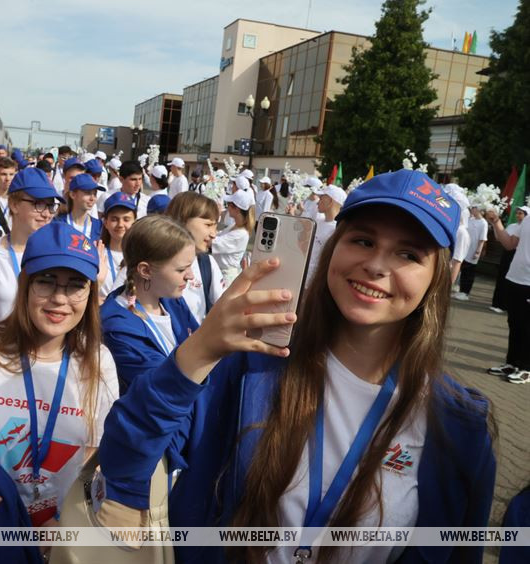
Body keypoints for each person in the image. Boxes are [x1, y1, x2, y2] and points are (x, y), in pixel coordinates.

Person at [98, 168, 495, 564]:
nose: (377, 265)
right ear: (332, 249)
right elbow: (125, 457)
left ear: (435, 279)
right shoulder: (254, 367)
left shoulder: (459, 424)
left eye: (408, 254)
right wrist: (199, 351)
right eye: (363, 240)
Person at [0, 222, 119, 531]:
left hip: (62, 530)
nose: (60, 298)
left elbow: (98, 446)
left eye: (75, 284)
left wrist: (64, 516)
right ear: (25, 284)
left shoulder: (99, 363)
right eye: (46, 281)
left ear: (90, 292)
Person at [100, 215, 198, 390]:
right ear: (145, 270)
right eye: (182, 269)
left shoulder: (172, 301)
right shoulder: (117, 327)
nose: (190, 276)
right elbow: (167, 387)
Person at [0, 167, 63, 335]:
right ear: (14, 204)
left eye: (51, 205)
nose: (46, 214)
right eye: (38, 204)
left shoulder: (59, 255)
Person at [484, 204, 530, 384]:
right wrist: (496, 222)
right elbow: (510, 244)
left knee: (527, 327)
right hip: (515, 278)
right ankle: (512, 363)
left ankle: (526, 368)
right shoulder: (526, 220)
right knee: (515, 323)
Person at [165, 192, 226, 324]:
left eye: (216, 226)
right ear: (182, 219)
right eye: (208, 225)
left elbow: (224, 307)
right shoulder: (151, 261)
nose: (214, 234)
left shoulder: (207, 263)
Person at [100, 192, 137, 302]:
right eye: (114, 219)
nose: (120, 224)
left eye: (126, 219)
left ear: (134, 221)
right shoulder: (97, 254)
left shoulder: (142, 256)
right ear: (105, 222)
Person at [211, 189, 256, 283]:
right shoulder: (234, 226)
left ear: (237, 209)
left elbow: (212, 243)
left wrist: (215, 217)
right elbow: (217, 234)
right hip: (220, 271)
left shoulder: (241, 234)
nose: (227, 208)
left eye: (229, 205)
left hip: (225, 277)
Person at [308, 184, 347, 281]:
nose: (318, 202)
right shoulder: (318, 221)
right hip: (305, 276)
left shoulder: (337, 229)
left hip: (315, 280)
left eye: (321, 198)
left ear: (330, 202)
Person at [491, 206, 527, 313]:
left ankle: (504, 305)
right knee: (502, 277)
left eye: (521, 213)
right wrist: (495, 224)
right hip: (507, 254)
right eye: (517, 213)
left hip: (517, 256)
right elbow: (502, 239)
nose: (518, 215)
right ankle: (497, 302)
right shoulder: (512, 226)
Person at [454, 205, 489, 301]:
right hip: (465, 248)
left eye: (474, 208)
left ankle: (465, 292)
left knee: (469, 272)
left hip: (473, 250)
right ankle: (460, 290)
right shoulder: (471, 220)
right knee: (462, 269)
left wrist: (478, 251)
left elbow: (482, 239)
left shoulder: (483, 223)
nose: (472, 209)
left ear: (480, 210)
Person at [56, 174, 104, 239]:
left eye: (95, 194)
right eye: (87, 193)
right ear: (72, 194)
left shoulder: (99, 226)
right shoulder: (57, 223)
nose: (92, 198)